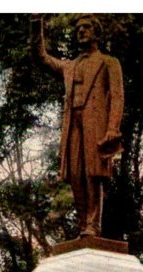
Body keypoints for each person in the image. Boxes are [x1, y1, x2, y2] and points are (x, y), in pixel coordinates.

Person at [32, 14, 124, 237]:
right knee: (74, 173)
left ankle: (93, 225)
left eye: (86, 27)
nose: (81, 31)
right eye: (78, 28)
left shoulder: (109, 62)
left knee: (93, 173)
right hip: (73, 122)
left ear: (96, 32)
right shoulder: (70, 66)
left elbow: (117, 96)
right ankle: (83, 223)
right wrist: (36, 25)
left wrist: (113, 127)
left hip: (96, 123)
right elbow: (41, 57)